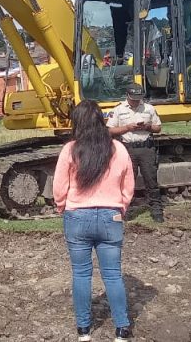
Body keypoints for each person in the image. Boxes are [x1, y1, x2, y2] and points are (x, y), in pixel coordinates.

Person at [53, 100, 134, 342]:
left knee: (81, 274)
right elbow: (128, 185)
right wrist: (122, 207)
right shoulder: (118, 148)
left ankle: (84, 330)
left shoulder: (70, 149)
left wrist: (62, 208)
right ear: (101, 119)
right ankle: (121, 327)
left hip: (77, 216)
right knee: (112, 274)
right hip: (111, 216)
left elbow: (59, 186)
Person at [106, 83, 163, 222]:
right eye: (133, 98)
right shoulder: (118, 110)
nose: (136, 101)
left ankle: (156, 210)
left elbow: (158, 128)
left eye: (138, 98)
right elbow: (109, 130)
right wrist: (127, 128)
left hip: (146, 148)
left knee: (151, 180)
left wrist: (148, 126)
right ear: (127, 96)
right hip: (127, 149)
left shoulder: (149, 108)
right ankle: (126, 210)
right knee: (126, 181)